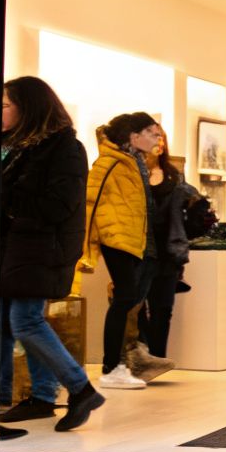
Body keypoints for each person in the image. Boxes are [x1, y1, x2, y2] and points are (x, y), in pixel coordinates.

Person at [0, 77, 104, 432]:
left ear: (28, 107)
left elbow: (59, 205)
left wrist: (8, 202)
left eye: (6, 105)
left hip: (41, 248)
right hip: (20, 247)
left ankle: (80, 387)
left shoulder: (63, 148)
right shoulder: (18, 146)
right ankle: (42, 397)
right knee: (19, 321)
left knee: (25, 321)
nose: (0, 113)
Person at [85, 111, 163, 390]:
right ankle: (111, 367)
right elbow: (91, 203)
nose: (157, 138)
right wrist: (94, 244)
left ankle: (117, 365)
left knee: (127, 299)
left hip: (130, 239)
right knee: (124, 298)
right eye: (152, 133)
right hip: (117, 238)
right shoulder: (111, 163)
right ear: (134, 136)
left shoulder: (132, 161)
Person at [133, 124, 198, 374]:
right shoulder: (134, 171)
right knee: (134, 305)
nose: (156, 141)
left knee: (162, 308)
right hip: (139, 249)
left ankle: (157, 358)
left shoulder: (173, 174)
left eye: (160, 136)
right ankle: (142, 355)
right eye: (152, 135)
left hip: (168, 251)